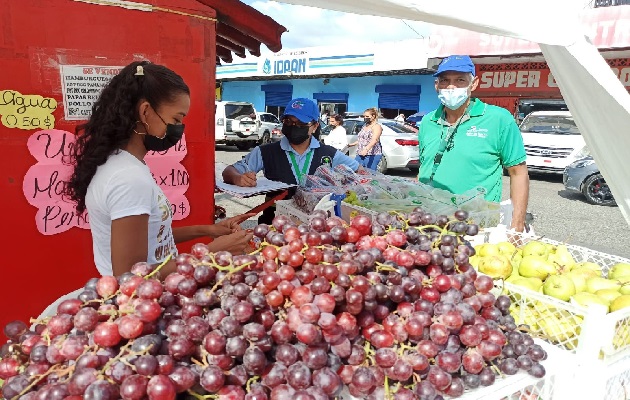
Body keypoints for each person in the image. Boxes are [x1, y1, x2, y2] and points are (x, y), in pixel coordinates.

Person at [64, 61, 254, 278]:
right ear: (145, 112)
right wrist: (214, 253)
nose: (179, 129)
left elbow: (151, 236)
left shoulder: (124, 164)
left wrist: (209, 231)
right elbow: (129, 278)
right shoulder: (128, 179)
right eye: (176, 119)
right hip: (142, 305)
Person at [417, 55, 530, 232]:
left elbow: (518, 173)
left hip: (476, 227)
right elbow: (424, 168)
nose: (451, 87)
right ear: (436, 85)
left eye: (460, 80)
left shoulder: (499, 119)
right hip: (430, 222)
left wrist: (517, 226)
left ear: (474, 83)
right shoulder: (427, 122)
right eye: (445, 80)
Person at [222, 98, 360, 224]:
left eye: (301, 123)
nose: (294, 126)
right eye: (288, 122)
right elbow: (229, 171)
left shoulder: (330, 154)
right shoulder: (265, 152)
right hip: (273, 226)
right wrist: (237, 178)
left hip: (316, 228)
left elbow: (359, 171)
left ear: (315, 126)